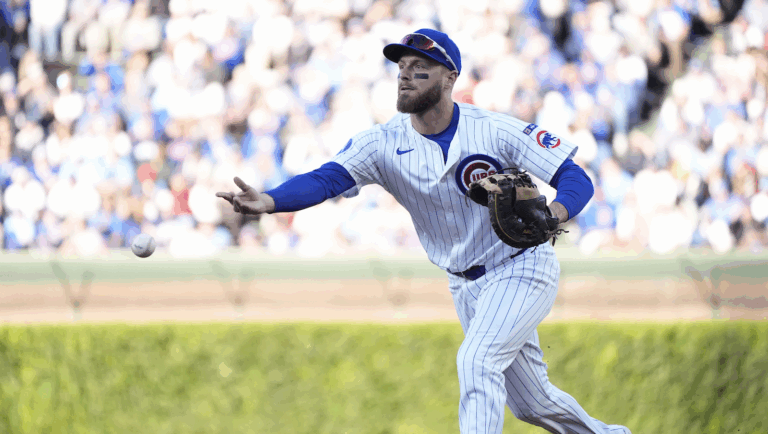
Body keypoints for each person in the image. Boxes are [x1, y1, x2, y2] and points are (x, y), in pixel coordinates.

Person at [217, 29, 631, 434]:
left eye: (419, 67)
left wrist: (554, 213)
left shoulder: (494, 129)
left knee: (476, 361)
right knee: (533, 404)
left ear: (450, 77)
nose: (404, 74)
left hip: (520, 266)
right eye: (401, 66)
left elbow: (575, 177)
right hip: (464, 285)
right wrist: (271, 200)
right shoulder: (381, 143)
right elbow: (328, 178)